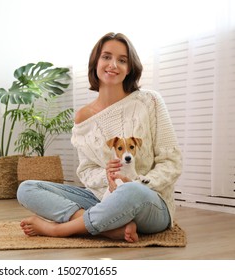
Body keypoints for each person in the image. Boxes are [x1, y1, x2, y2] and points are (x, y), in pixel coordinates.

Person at [16, 32, 182, 243]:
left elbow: (172, 162)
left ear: (130, 68)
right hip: (100, 198)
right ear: (95, 62)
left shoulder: (149, 101)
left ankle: (60, 230)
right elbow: (86, 170)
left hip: (150, 201)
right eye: (106, 57)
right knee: (27, 189)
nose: (113, 64)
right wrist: (108, 178)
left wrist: (134, 182)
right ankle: (108, 229)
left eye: (122, 60)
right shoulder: (83, 118)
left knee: (131, 190)